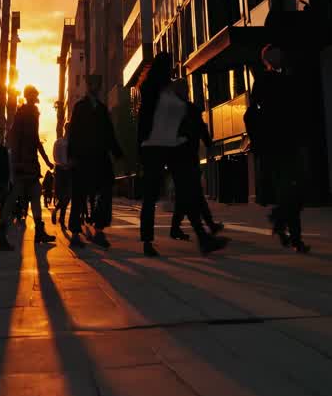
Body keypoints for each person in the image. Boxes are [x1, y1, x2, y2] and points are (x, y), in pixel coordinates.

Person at [138, 53, 227, 257]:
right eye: (169, 65)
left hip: (172, 147)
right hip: (154, 147)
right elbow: (145, 121)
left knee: (187, 191)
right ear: (163, 67)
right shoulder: (151, 90)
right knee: (151, 197)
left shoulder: (168, 89)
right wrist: (141, 150)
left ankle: (204, 238)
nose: (172, 68)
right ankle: (147, 241)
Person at [246, 45, 309, 253]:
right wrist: (258, 140)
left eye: (280, 54)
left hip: (291, 141)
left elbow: (299, 109)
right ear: (267, 61)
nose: (280, 58)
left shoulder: (290, 77)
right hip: (274, 144)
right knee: (288, 190)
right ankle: (295, 238)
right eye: (275, 56)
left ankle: (280, 221)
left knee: (295, 191)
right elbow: (250, 114)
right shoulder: (263, 81)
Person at [0, 85, 56, 250]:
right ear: (30, 96)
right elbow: (33, 139)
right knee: (19, 195)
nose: (35, 99)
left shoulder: (24, 113)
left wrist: (43, 160)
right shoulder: (28, 113)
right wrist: (45, 161)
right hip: (25, 163)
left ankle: (35, 231)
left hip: (25, 162)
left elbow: (29, 139)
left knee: (32, 194)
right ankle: (4, 231)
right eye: (33, 96)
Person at [67, 74, 121, 249]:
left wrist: (118, 154)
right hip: (82, 158)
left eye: (97, 84)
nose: (94, 87)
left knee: (105, 192)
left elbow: (109, 134)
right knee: (78, 195)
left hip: (100, 158)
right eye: (92, 84)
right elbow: (73, 134)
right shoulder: (80, 107)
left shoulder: (103, 109)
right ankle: (75, 233)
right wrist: (71, 156)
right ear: (88, 85)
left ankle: (99, 229)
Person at [169, 93, 224, 240]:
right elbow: (201, 129)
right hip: (186, 159)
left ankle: (179, 228)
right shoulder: (188, 110)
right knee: (193, 194)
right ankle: (205, 230)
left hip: (180, 160)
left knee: (186, 195)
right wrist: (209, 144)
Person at [51, 122, 71, 229]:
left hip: (59, 170)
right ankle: (61, 218)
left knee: (64, 196)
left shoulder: (58, 142)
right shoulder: (69, 143)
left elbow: (54, 156)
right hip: (66, 171)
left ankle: (58, 213)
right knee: (66, 196)